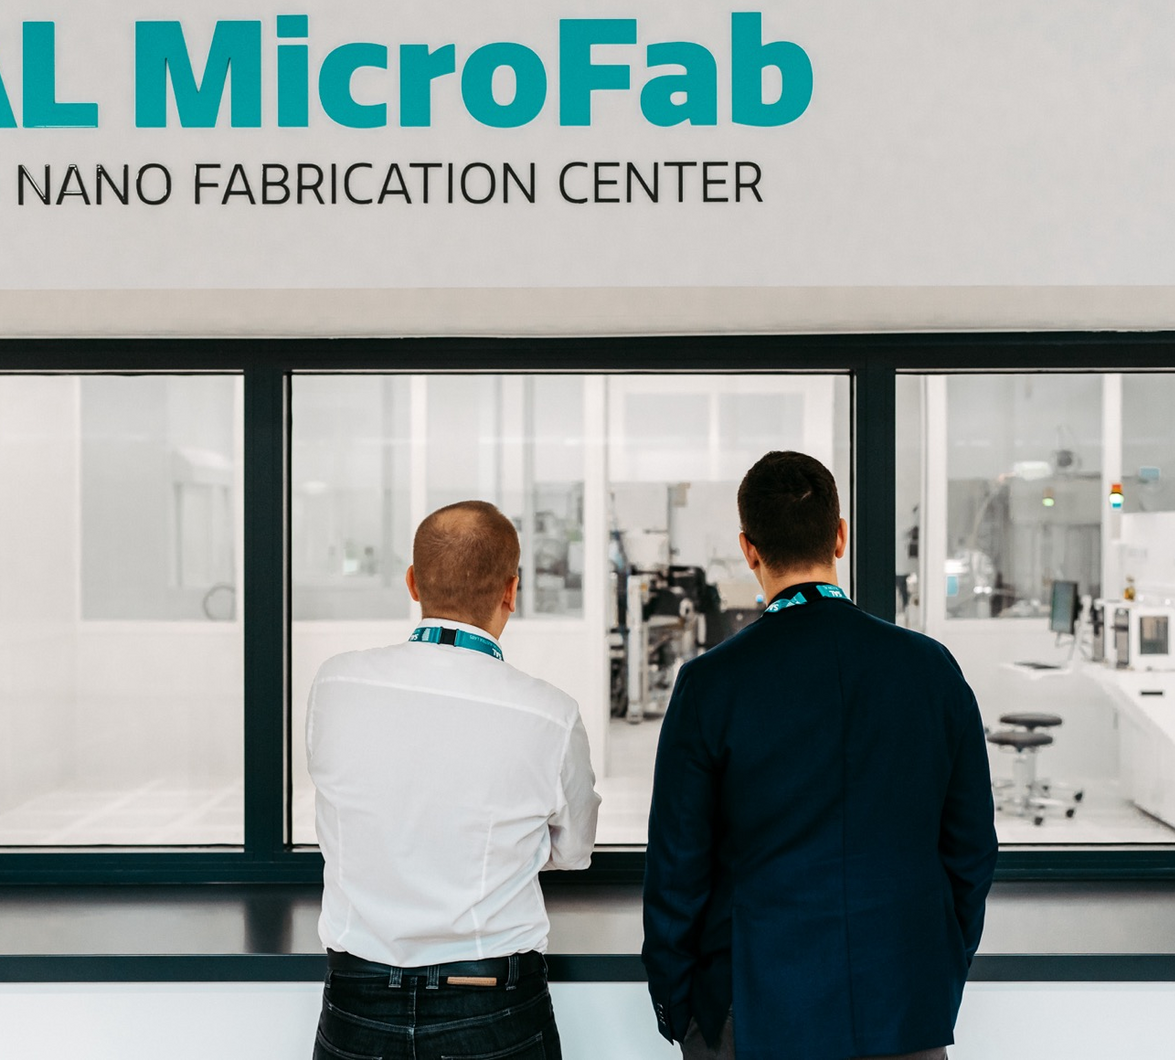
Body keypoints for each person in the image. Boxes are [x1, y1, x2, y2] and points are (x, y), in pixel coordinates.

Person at [643, 451, 998, 1060]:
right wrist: (935, 972)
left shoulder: (712, 683)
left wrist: (684, 1015)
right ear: (839, 537)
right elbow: (970, 850)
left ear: (749, 549)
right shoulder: (930, 669)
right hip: (904, 1004)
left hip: (753, 1014)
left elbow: (677, 868)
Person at [308, 499, 601, 1060]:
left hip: (357, 1001)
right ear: (512, 591)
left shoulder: (335, 686)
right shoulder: (551, 715)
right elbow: (576, 851)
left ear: (413, 583)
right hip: (493, 1002)